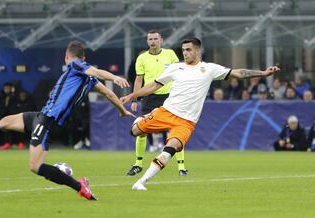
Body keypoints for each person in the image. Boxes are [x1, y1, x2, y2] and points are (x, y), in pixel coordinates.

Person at [0, 41, 134, 200]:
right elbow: (109, 94)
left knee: (34, 166)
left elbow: (95, 71)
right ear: (83, 57)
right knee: (6, 121)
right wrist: (122, 111)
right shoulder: (89, 79)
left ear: (67, 56)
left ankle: (79, 185)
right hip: (40, 117)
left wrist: (115, 77)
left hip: (47, 121)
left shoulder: (75, 66)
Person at [120, 37, 280, 190]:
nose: (185, 53)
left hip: (186, 122)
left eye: (188, 49)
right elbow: (153, 86)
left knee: (171, 148)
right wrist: (132, 96)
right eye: (183, 50)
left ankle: (141, 181)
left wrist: (263, 73)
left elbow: (238, 73)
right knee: (135, 131)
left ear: (197, 51)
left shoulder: (210, 69)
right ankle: (143, 119)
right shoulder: (176, 67)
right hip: (166, 112)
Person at [127, 30, 189, 177]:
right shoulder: (142, 58)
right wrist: (135, 99)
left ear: (161, 40)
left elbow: (180, 74)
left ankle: (182, 167)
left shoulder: (170, 54)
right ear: (147, 41)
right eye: (150, 39)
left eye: (155, 38)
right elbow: (138, 80)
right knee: (141, 130)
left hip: (169, 97)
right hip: (149, 98)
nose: (153, 41)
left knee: (174, 131)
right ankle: (138, 164)